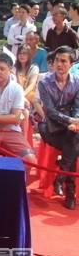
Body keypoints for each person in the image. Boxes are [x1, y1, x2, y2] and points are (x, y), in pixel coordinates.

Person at [38, 46, 79, 209]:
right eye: (57, 61)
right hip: (51, 127)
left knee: (74, 140)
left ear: (71, 64)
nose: (59, 64)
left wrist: (74, 122)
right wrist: (70, 120)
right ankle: (69, 191)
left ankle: (61, 178)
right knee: (75, 144)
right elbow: (50, 112)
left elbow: (77, 107)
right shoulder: (44, 83)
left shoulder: (77, 82)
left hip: (71, 129)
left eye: (63, 61)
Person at [0, 52, 36, 166]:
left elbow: (15, 119)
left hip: (12, 131)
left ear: (10, 70)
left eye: (2, 69)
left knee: (30, 160)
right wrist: (9, 117)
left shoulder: (17, 89)